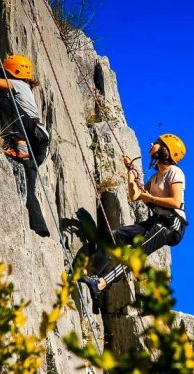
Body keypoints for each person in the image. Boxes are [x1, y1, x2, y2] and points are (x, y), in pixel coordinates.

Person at [80, 133, 188, 313]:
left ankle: (100, 285)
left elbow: (176, 202)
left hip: (171, 224)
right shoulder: (154, 179)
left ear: (166, 151)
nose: (152, 143)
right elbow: (135, 195)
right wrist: (130, 171)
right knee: (117, 235)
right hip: (157, 221)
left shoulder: (175, 172)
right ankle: (93, 273)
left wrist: (151, 198)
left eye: (158, 143)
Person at [0, 54, 50, 237]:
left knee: (4, 100)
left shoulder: (19, 85)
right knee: (29, 185)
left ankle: (19, 145)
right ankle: (39, 226)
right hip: (39, 142)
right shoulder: (27, 87)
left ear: (13, 72)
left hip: (30, 133)